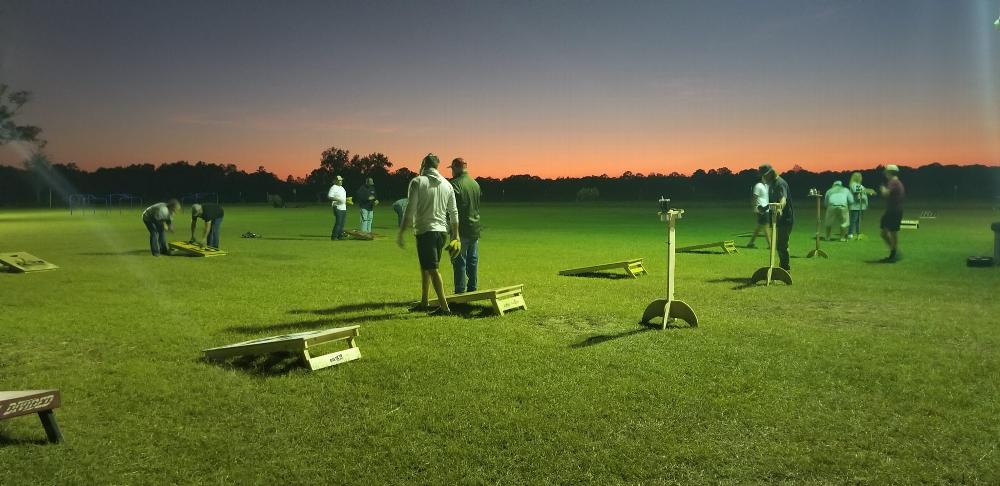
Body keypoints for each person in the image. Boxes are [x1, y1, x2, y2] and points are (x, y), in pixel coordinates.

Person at [397, 154, 460, 316]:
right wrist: (456, 235)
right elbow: (454, 212)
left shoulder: (418, 182)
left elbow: (410, 210)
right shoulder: (447, 184)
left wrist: (401, 232)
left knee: (432, 269)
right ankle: (424, 301)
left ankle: (444, 308)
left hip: (426, 231)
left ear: (423, 164)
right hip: (441, 232)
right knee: (426, 266)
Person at [448, 158, 482, 294]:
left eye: (452, 169)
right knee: (472, 260)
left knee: (458, 261)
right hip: (475, 228)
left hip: (460, 229)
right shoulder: (475, 183)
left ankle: (460, 291)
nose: (451, 172)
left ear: (456, 168)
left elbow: (450, 209)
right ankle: (473, 288)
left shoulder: (454, 184)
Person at [761, 164, 794, 271]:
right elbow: (772, 202)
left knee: (782, 246)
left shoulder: (780, 183)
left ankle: (785, 269)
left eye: (764, 175)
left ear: (770, 173)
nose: (763, 177)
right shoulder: (772, 184)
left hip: (785, 219)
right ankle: (782, 267)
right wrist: (764, 208)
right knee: (778, 245)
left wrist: (780, 208)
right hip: (776, 219)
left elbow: (783, 199)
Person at [878, 164, 906, 262]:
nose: (885, 175)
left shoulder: (893, 182)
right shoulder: (897, 182)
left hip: (893, 211)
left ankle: (894, 254)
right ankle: (894, 252)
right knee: (886, 233)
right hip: (894, 210)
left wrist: (882, 189)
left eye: (886, 173)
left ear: (890, 173)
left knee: (891, 233)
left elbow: (886, 194)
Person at [847, 172, 875, 239]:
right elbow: (856, 192)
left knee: (858, 220)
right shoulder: (853, 184)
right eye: (860, 177)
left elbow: (864, 191)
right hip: (855, 206)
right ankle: (850, 233)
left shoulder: (860, 185)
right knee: (853, 220)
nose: (861, 178)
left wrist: (870, 192)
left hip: (860, 206)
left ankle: (858, 233)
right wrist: (866, 191)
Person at [747, 178, 770, 248]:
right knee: (766, 226)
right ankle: (770, 245)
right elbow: (754, 197)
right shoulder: (758, 186)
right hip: (760, 209)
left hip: (766, 209)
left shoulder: (766, 186)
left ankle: (750, 243)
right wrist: (755, 208)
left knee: (759, 227)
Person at [327, 175, 347, 240]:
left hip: (343, 207)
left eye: (341, 180)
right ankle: (334, 236)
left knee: (342, 223)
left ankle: (340, 236)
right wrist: (338, 199)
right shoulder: (333, 187)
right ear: (335, 181)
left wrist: (346, 200)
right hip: (337, 207)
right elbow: (329, 196)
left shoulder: (342, 188)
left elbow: (342, 198)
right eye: (339, 180)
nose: (341, 181)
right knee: (338, 222)